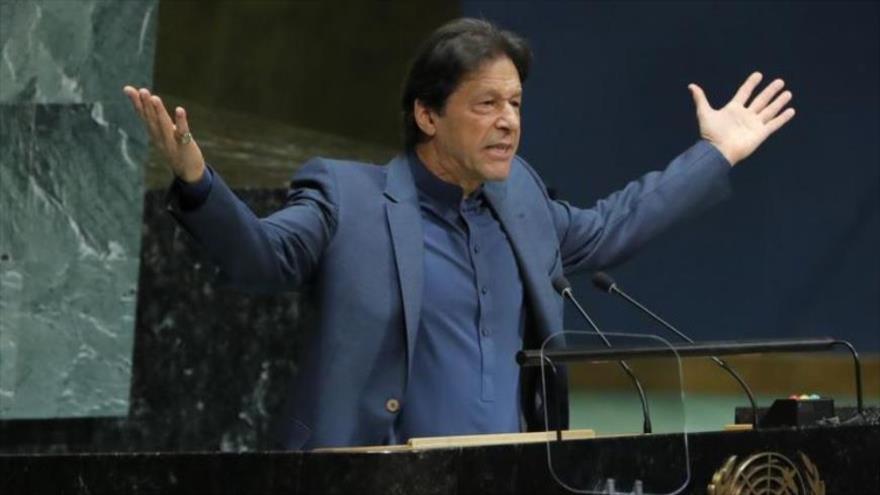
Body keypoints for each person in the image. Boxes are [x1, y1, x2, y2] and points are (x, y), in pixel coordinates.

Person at [123, 18, 794, 450]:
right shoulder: (348, 198)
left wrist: (715, 154)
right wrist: (199, 182)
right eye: (486, 104)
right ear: (427, 113)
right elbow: (261, 260)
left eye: (516, 105)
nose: (508, 121)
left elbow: (614, 225)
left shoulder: (520, 200)